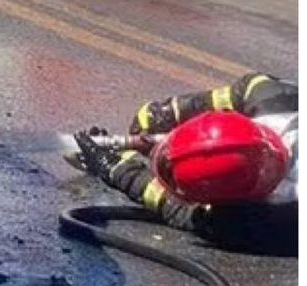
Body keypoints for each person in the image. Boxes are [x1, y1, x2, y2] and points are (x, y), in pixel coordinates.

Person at [71, 73, 297, 254]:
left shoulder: (271, 222)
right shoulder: (269, 97)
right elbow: (250, 86)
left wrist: (115, 168)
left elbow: (187, 213)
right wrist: (170, 111)